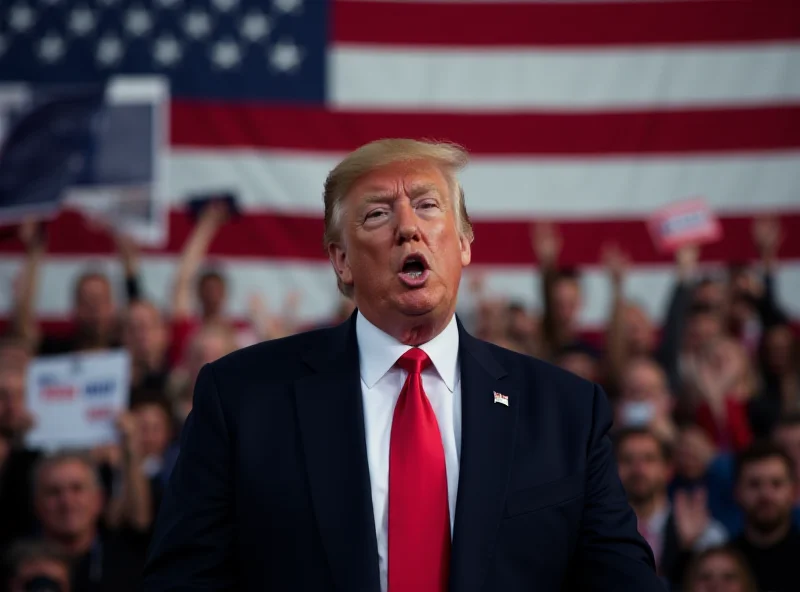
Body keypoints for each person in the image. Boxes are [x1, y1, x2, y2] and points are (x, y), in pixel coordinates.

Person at [142, 139, 664, 591]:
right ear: (341, 261)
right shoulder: (242, 398)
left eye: (427, 206)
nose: (408, 229)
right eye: (377, 214)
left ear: (462, 245)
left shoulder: (565, 412)